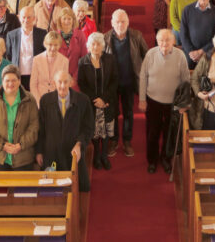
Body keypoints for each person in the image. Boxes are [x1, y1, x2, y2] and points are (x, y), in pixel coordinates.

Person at [139, 29, 189, 174]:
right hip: (153, 101)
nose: (164, 43)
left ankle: (166, 158)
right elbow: (143, 76)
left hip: (172, 103)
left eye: (167, 40)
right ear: (157, 41)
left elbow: (186, 80)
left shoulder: (180, 56)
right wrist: (142, 99)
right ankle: (152, 160)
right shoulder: (151, 54)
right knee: (152, 133)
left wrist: (184, 103)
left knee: (169, 133)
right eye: (161, 40)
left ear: (173, 41)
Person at [102, 9, 147, 157]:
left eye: (123, 21)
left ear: (128, 22)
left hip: (129, 81)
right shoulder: (105, 38)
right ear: (112, 23)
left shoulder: (136, 36)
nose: (120, 24)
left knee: (128, 113)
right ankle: (114, 140)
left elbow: (146, 57)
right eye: (117, 22)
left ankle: (127, 141)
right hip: (112, 84)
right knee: (113, 113)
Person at [0, 64, 39, 171]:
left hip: (23, 157)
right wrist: (1, 145)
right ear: (2, 81)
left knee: (22, 188)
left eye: (14, 80)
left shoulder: (30, 100)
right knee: (0, 188)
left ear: (19, 81)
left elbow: (34, 126)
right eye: (7, 80)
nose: (10, 84)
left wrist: (21, 145)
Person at [77, 32, 118, 170]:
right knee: (95, 130)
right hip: (92, 103)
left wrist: (104, 99)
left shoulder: (110, 59)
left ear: (102, 46)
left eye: (98, 44)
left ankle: (104, 156)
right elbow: (82, 84)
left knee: (105, 130)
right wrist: (96, 100)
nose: (95, 47)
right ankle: (96, 156)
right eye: (93, 44)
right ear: (88, 46)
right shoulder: (83, 61)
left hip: (107, 101)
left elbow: (114, 81)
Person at [180, 0, 215, 66]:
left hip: (208, 52)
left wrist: (202, 51)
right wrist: (191, 51)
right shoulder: (187, 10)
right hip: (190, 53)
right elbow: (183, 34)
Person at [6, 7, 47, 88]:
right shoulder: (11, 35)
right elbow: (9, 55)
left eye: (29, 17)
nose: (26, 20)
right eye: (23, 17)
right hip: (17, 76)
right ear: (19, 18)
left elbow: (45, 54)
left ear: (34, 18)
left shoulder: (42, 34)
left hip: (36, 76)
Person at [30, 31, 70, 106]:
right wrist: (39, 103)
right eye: (50, 44)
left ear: (60, 45)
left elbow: (63, 85)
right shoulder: (36, 59)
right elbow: (33, 84)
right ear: (45, 44)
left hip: (57, 102)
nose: (53, 48)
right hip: (39, 100)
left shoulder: (65, 61)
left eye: (56, 45)